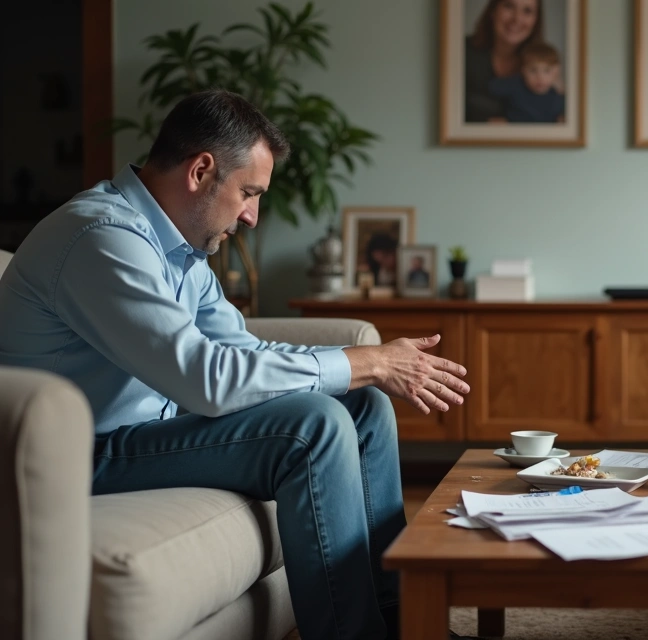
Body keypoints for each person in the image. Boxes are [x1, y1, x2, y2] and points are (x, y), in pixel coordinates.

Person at [0, 90, 477, 640]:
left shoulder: (180, 251)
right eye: (248, 193)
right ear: (201, 170)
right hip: (80, 455)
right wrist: (362, 359)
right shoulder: (101, 238)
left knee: (363, 406)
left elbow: (243, 353)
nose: (252, 216)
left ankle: (403, 623)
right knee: (312, 428)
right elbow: (207, 379)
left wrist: (361, 371)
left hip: (141, 437)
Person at [464, 0, 544, 123]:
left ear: (536, 20)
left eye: (527, 11)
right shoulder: (461, 52)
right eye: (509, 6)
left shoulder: (545, 67)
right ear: (493, 11)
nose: (517, 19)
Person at [488, 41, 566, 123]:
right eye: (533, 70)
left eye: (547, 70)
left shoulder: (557, 94)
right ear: (523, 71)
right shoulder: (516, 84)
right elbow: (492, 87)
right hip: (516, 132)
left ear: (556, 71)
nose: (540, 77)